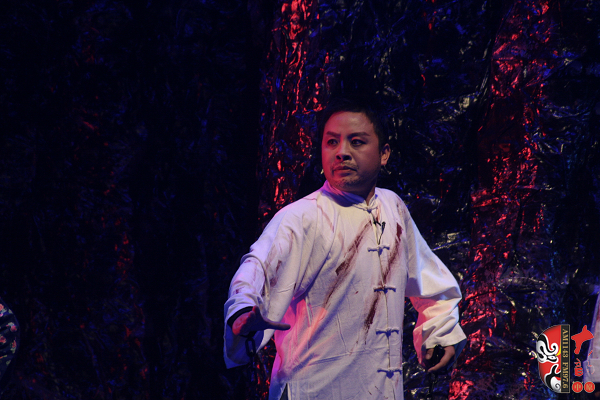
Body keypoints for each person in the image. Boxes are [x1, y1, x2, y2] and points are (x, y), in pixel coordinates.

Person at [224, 97, 467, 400]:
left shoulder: (392, 207)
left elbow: (431, 283)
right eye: (331, 142)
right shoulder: (301, 217)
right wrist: (242, 310)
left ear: (384, 154)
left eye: (356, 141)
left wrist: (439, 333)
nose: (341, 152)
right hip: (314, 390)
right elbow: (256, 268)